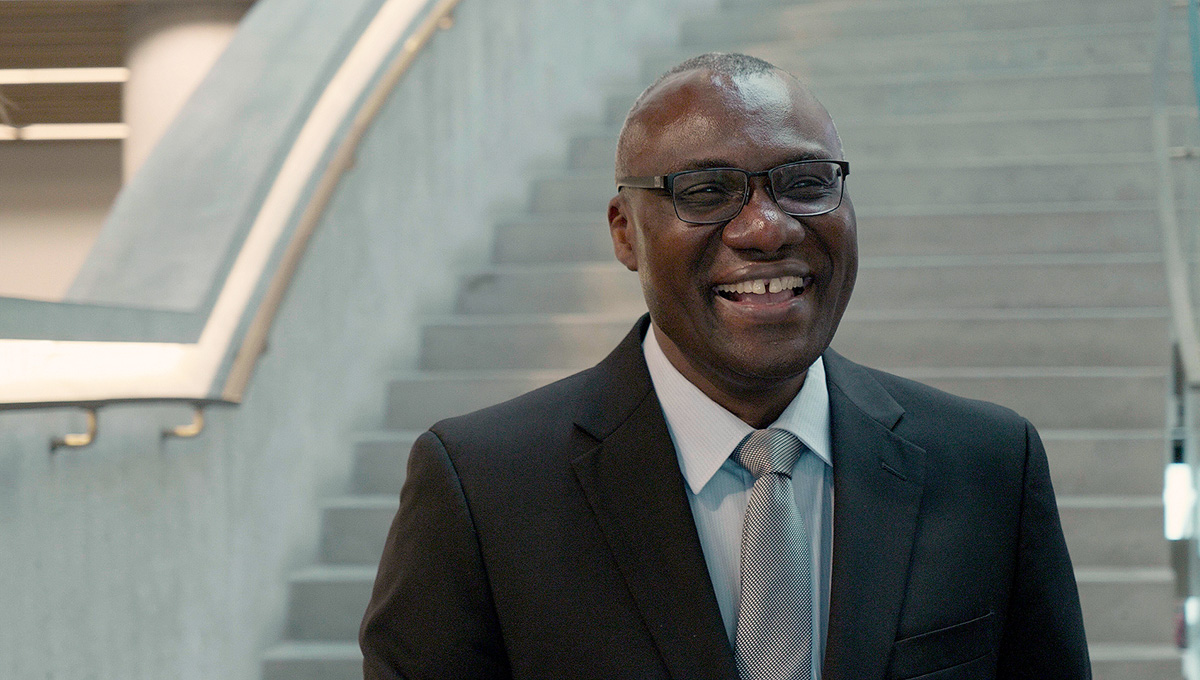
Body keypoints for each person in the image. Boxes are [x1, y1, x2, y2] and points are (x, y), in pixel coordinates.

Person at [360, 53, 1090, 680]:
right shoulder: (483, 490)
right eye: (705, 192)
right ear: (625, 232)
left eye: (804, 181)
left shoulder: (989, 465)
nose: (766, 227)